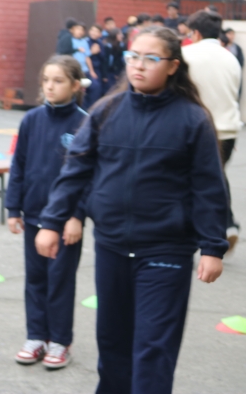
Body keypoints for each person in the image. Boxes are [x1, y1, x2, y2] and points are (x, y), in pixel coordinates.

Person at [35, 26, 228, 394]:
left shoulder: (192, 119)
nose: (138, 65)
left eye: (150, 58)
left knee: (154, 346)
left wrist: (213, 247)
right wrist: (52, 221)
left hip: (166, 251)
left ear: (172, 66)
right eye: (133, 56)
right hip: (112, 247)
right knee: (113, 341)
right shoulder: (106, 110)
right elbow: (75, 171)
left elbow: (209, 187)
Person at [6, 55, 88, 370]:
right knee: (36, 278)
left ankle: (59, 341)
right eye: (46, 80)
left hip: (65, 223)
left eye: (59, 81)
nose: (50, 86)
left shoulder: (84, 122)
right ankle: (36, 336)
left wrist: (77, 216)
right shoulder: (31, 120)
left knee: (60, 280)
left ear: (75, 86)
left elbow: (89, 176)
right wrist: (14, 207)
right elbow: (19, 165)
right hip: (34, 218)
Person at [183, 11, 243, 253]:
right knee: (215, 177)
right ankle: (227, 226)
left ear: (195, 33)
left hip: (198, 128)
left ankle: (210, 232)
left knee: (194, 181)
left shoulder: (186, 55)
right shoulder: (231, 58)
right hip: (228, 130)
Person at [86, 24, 106, 107]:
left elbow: (103, 58)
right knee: (93, 88)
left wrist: (98, 51)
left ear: (100, 34)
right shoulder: (85, 42)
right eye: (92, 30)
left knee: (99, 91)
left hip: (98, 70)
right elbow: (84, 56)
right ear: (89, 31)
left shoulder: (100, 43)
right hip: (87, 69)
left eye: (97, 31)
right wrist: (92, 52)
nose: (94, 33)